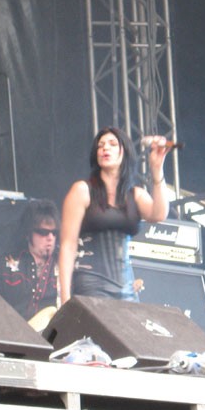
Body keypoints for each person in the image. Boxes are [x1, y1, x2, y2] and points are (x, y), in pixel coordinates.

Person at [58, 127, 171, 304]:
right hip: (91, 284)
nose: (105, 148)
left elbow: (159, 214)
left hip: (127, 287)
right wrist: (65, 298)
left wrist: (157, 170)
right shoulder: (82, 190)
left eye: (112, 144)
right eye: (101, 145)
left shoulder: (135, 194)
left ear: (124, 151)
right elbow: (68, 245)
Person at [0, 199, 60, 327]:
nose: (50, 238)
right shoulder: (4, 265)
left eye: (54, 233)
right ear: (28, 233)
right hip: (11, 332)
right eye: (43, 232)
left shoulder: (64, 267)